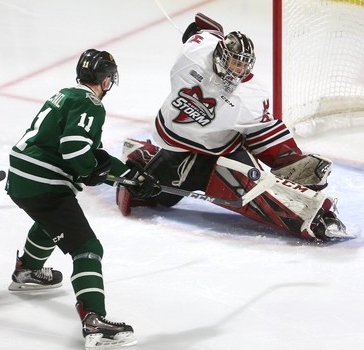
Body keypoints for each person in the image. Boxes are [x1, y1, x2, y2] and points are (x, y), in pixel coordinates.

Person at [117, 13, 352, 241]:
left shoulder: (251, 95)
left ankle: (316, 218)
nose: (237, 70)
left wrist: (289, 161)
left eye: (243, 65)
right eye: (233, 62)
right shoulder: (194, 53)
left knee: (250, 184)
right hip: (176, 143)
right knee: (160, 197)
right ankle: (147, 155)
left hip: (222, 150)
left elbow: (264, 133)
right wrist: (206, 27)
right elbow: (204, 30)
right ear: (220, 55)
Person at [6, 48, 160, 349]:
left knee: (53, 223)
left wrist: (132, 176)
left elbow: (93, 156)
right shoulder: (91, 104)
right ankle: (94, 320)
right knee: (87, 248)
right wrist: (89, 172)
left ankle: (27, 269)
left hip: (22, 178)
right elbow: (76, 150)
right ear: (105, 79)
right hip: (45, 183)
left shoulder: (66, 94)